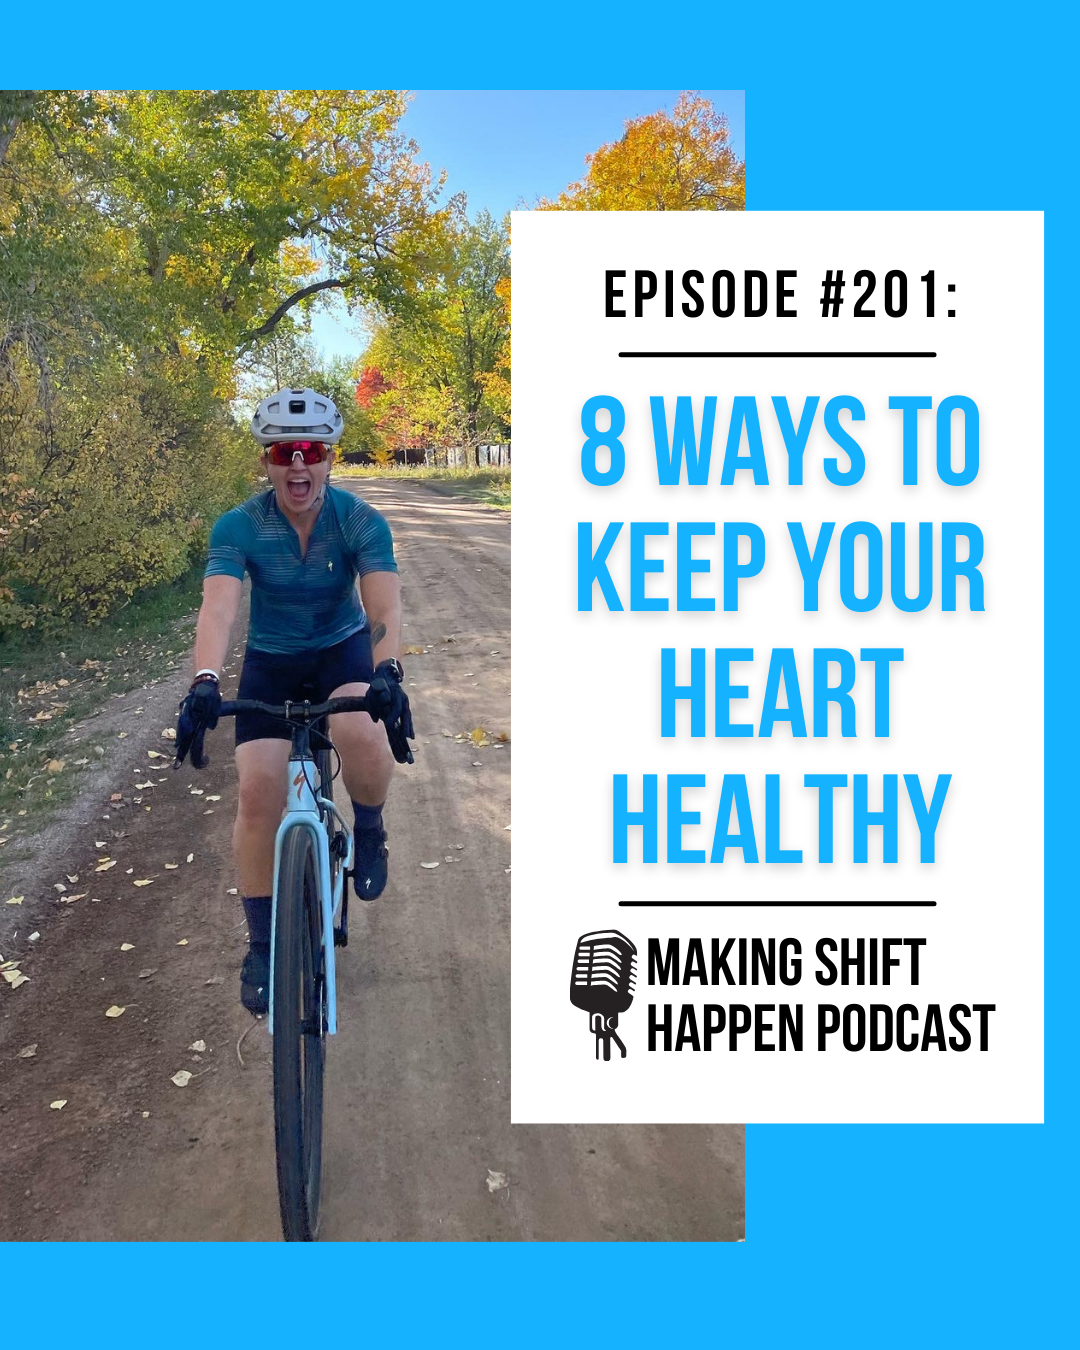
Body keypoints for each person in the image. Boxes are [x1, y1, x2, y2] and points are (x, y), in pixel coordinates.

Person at [172, 387, 414, 1014]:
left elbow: (382, 604)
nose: (298, 464)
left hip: (340, 650)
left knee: (363, 731)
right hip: (271, 663)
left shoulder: (359, 520)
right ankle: (260, 946)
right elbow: (220, 606)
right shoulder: (239, 526)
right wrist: (204, 678)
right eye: (284, 451)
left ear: (331, 456)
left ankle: (369, 829)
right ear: (266, 460)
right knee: (257, 793)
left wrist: (388, 671)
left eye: (311, 450)